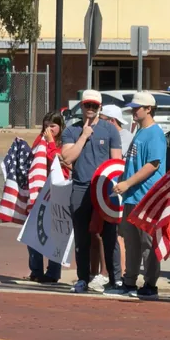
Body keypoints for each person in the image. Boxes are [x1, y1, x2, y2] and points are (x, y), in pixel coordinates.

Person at [105, 91, 167, 300]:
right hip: (132, 195)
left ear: (148, 109)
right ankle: (129, 281)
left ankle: (150, 284)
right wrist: (123, 181)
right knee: (131, 241)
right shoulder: (140, 131)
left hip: (147, 196)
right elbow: (134, 163)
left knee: (147, 242)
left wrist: (128, 182)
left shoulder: (155, 133)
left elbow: (153, 164)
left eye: (137, 108)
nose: (133, 111)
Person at [62, 90, 122, 293]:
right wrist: (84, 137)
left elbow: (116, 162)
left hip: (105, 188)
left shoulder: (110, 130)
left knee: (109, 235)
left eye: (94, 106)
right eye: (87, 105)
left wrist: (114, 189)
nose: (90, 109)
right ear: (81, 106)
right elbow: (68, 158)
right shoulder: (71, 130)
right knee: (82, 236)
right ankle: (82, 278)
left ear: (100, 107)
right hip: (80, 187)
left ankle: (116, 280)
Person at [86, 105, 134, 293]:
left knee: (116, 237)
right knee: (100, 234)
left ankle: (113, 275)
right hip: (104, 193)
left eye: (104, 118)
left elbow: (120, 167)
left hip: (118, 194)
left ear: (112, 120)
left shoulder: (125, 139)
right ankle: (105, 274)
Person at [27, 111, 67, 283]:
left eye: (53, 126)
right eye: (46, 126)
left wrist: (51, 142)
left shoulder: (64, 142)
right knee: (33, 231)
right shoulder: (39, 140)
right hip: (39, 192)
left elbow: (58, 161)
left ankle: (53, 271)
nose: (49, 129)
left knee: (55, 233)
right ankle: (36, 270)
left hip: (56, 192)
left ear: (60, 127)